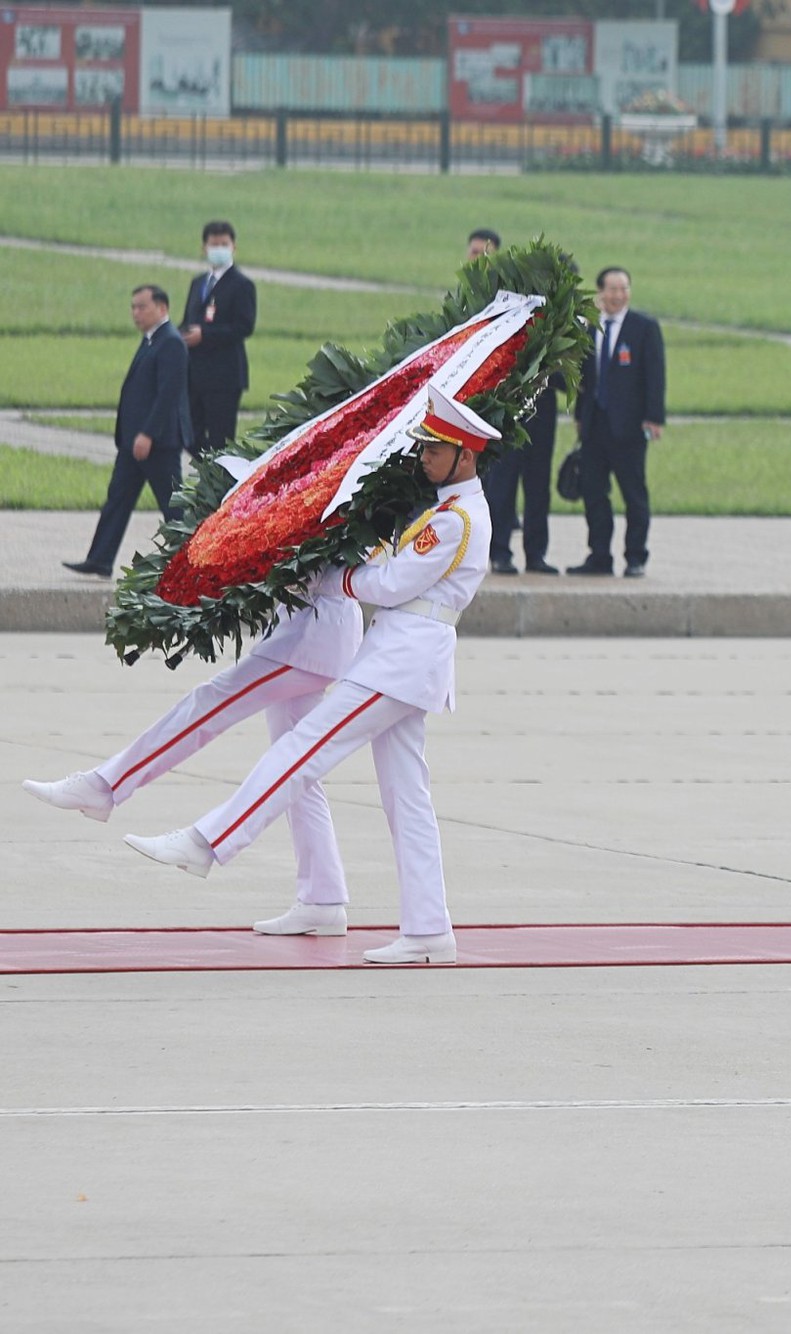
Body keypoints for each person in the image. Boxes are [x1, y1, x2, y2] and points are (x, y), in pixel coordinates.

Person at [123, 387, 499, 966]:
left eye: (435, 450)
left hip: (401, 661)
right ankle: (427, 929)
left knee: (304, 750)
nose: (424, 457)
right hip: (404, 658)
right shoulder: (447, 511)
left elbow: (392, 586)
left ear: (464, 456)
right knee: (406, 797)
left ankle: (210, 842)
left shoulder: (454, 521)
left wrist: (337, 579)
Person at [23, 590, 364, 937]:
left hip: (309, 640)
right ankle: (323, 899)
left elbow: (333, 568)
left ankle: (104, 786)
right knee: (296, 776)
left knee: (209, 703)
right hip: (306, 631)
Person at [65, 286, 191, 578]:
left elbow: (168, 395)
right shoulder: (151, 340)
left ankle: (193, 564)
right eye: (133, 307)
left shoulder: (170, 342)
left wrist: (148, 433)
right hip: (133, 444)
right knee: (117, 501)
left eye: (141, 307)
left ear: (161, 308)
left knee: (173, 508)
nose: (136, 313)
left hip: (158, 444)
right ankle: (99, 559)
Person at [465, 229, 563, 575]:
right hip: (500, 411)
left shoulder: (531, 307)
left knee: (538, 485)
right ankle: (500, 552)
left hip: (541, 409)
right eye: (476, 253)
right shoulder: (469, 303)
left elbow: (562, 370)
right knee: (501, 483)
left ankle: (536, 554)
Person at [570, 267, 665, 578]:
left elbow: (655, 376)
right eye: (612, 289)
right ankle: (599, 556)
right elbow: (581, 378)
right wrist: (579, 418)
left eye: (624, 289)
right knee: (594, 493)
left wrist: (654, 418)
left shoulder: (644, 327)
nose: (618, 295)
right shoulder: (590, 328)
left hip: (630, 428)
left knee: (634, 494)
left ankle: (636, 556)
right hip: (595, 426)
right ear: (600, 292)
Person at [181, 221, 257, 459]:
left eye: (224, 244)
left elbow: (244, 326)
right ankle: (210, 471)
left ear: (233, 247)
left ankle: (220, 485)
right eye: (214, 245)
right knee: (187, 434)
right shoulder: (198, 283)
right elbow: (188, 319)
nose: (219, 249)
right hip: (195, 373)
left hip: (224, 376)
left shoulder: (242, 285)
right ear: (204, 248)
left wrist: (205, 335)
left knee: (220, 441)